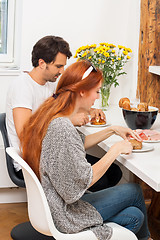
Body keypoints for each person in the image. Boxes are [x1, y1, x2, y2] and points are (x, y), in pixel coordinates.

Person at [19, 60, 152, 240]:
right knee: (134, 191)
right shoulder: (62, 128)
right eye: (97, 91)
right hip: (64, 214)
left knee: (135, 216)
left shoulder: (55, 115)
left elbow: (75, 145)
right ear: (82, 91)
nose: (98, 97)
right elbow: (81, 182)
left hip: (55, 205)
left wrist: (112, 130)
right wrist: (115, 150)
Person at [6, 35, 122, 191]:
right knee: (101, 180)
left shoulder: (50, 85)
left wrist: (90, 109)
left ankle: (82, 209)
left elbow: (63, 110)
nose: (62, 71)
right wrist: (69, 120)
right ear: (42, 63)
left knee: (113, 172)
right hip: (33, 160)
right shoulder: (22, 87)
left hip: (52, 151)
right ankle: (74, 212)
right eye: (58, 66)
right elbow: (25, 134)